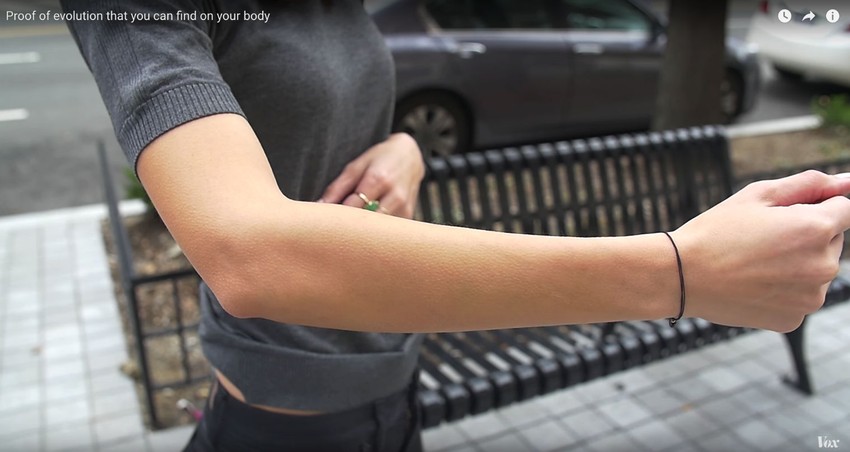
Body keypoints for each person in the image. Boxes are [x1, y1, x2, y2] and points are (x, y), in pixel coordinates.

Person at [62, 1, 850, 450]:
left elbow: (322, 115)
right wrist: (679, 274)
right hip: (287, 417)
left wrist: (404, 149)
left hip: (395, 378)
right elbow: (249, 256)